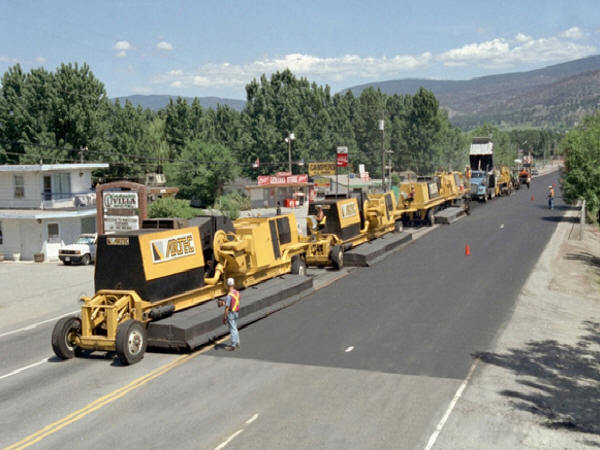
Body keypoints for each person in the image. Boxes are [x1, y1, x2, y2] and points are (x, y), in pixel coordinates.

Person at [220, 278, 240, 351]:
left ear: (228, 285)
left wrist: (224, 317)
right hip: (237, 312)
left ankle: (233, 345)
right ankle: (237, 342)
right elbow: (234, 302)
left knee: (232, 329)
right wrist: (224, 302)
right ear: (233, 284)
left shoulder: (229, 295)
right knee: (235, 327)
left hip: (231, 313)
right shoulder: (237, 293)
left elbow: (227, 308)